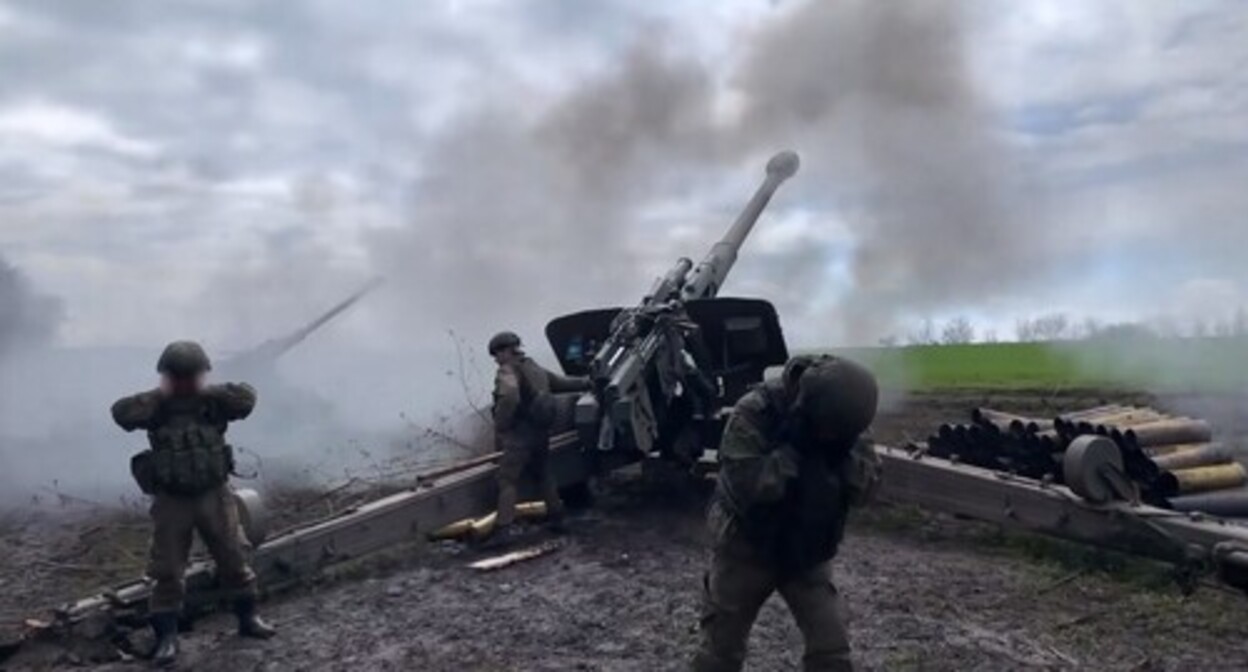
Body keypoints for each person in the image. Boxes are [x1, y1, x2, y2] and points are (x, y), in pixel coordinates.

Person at [691, 354, 882, 672]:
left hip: (807, 550)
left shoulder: (844, 415)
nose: (831, 437)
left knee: (831, 648)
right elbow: (747, 486)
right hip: (747, 546)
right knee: (720, 650)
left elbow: (866, 490)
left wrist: (843, 461)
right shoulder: (756, 411)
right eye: (828, 431)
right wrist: (793, 452)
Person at [111, 341, 276, 667]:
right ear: (168, 376)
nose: (185, 382)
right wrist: (161, 395)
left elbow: (247, 399)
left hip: (213, 494)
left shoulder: (213, 402)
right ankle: (167, 638)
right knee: (167, 569)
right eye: (179, 376)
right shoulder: (156, 407)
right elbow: (121, 413)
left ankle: (248, 618)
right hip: (173, 500)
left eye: (191, 375)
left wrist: (208, 391)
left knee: (234, 556)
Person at [485, 331, 591, 547]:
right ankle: (558, 518)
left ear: (505, 351)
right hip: (541, 432)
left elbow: (510, 396)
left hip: (520, 435)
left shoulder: (508, 371)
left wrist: (502, 423)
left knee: (506, 479)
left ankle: (504, 530)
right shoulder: (533, 367)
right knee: (543, 474)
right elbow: (560, 383)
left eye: (497, 354)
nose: (496, 360)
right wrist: (588, 382)